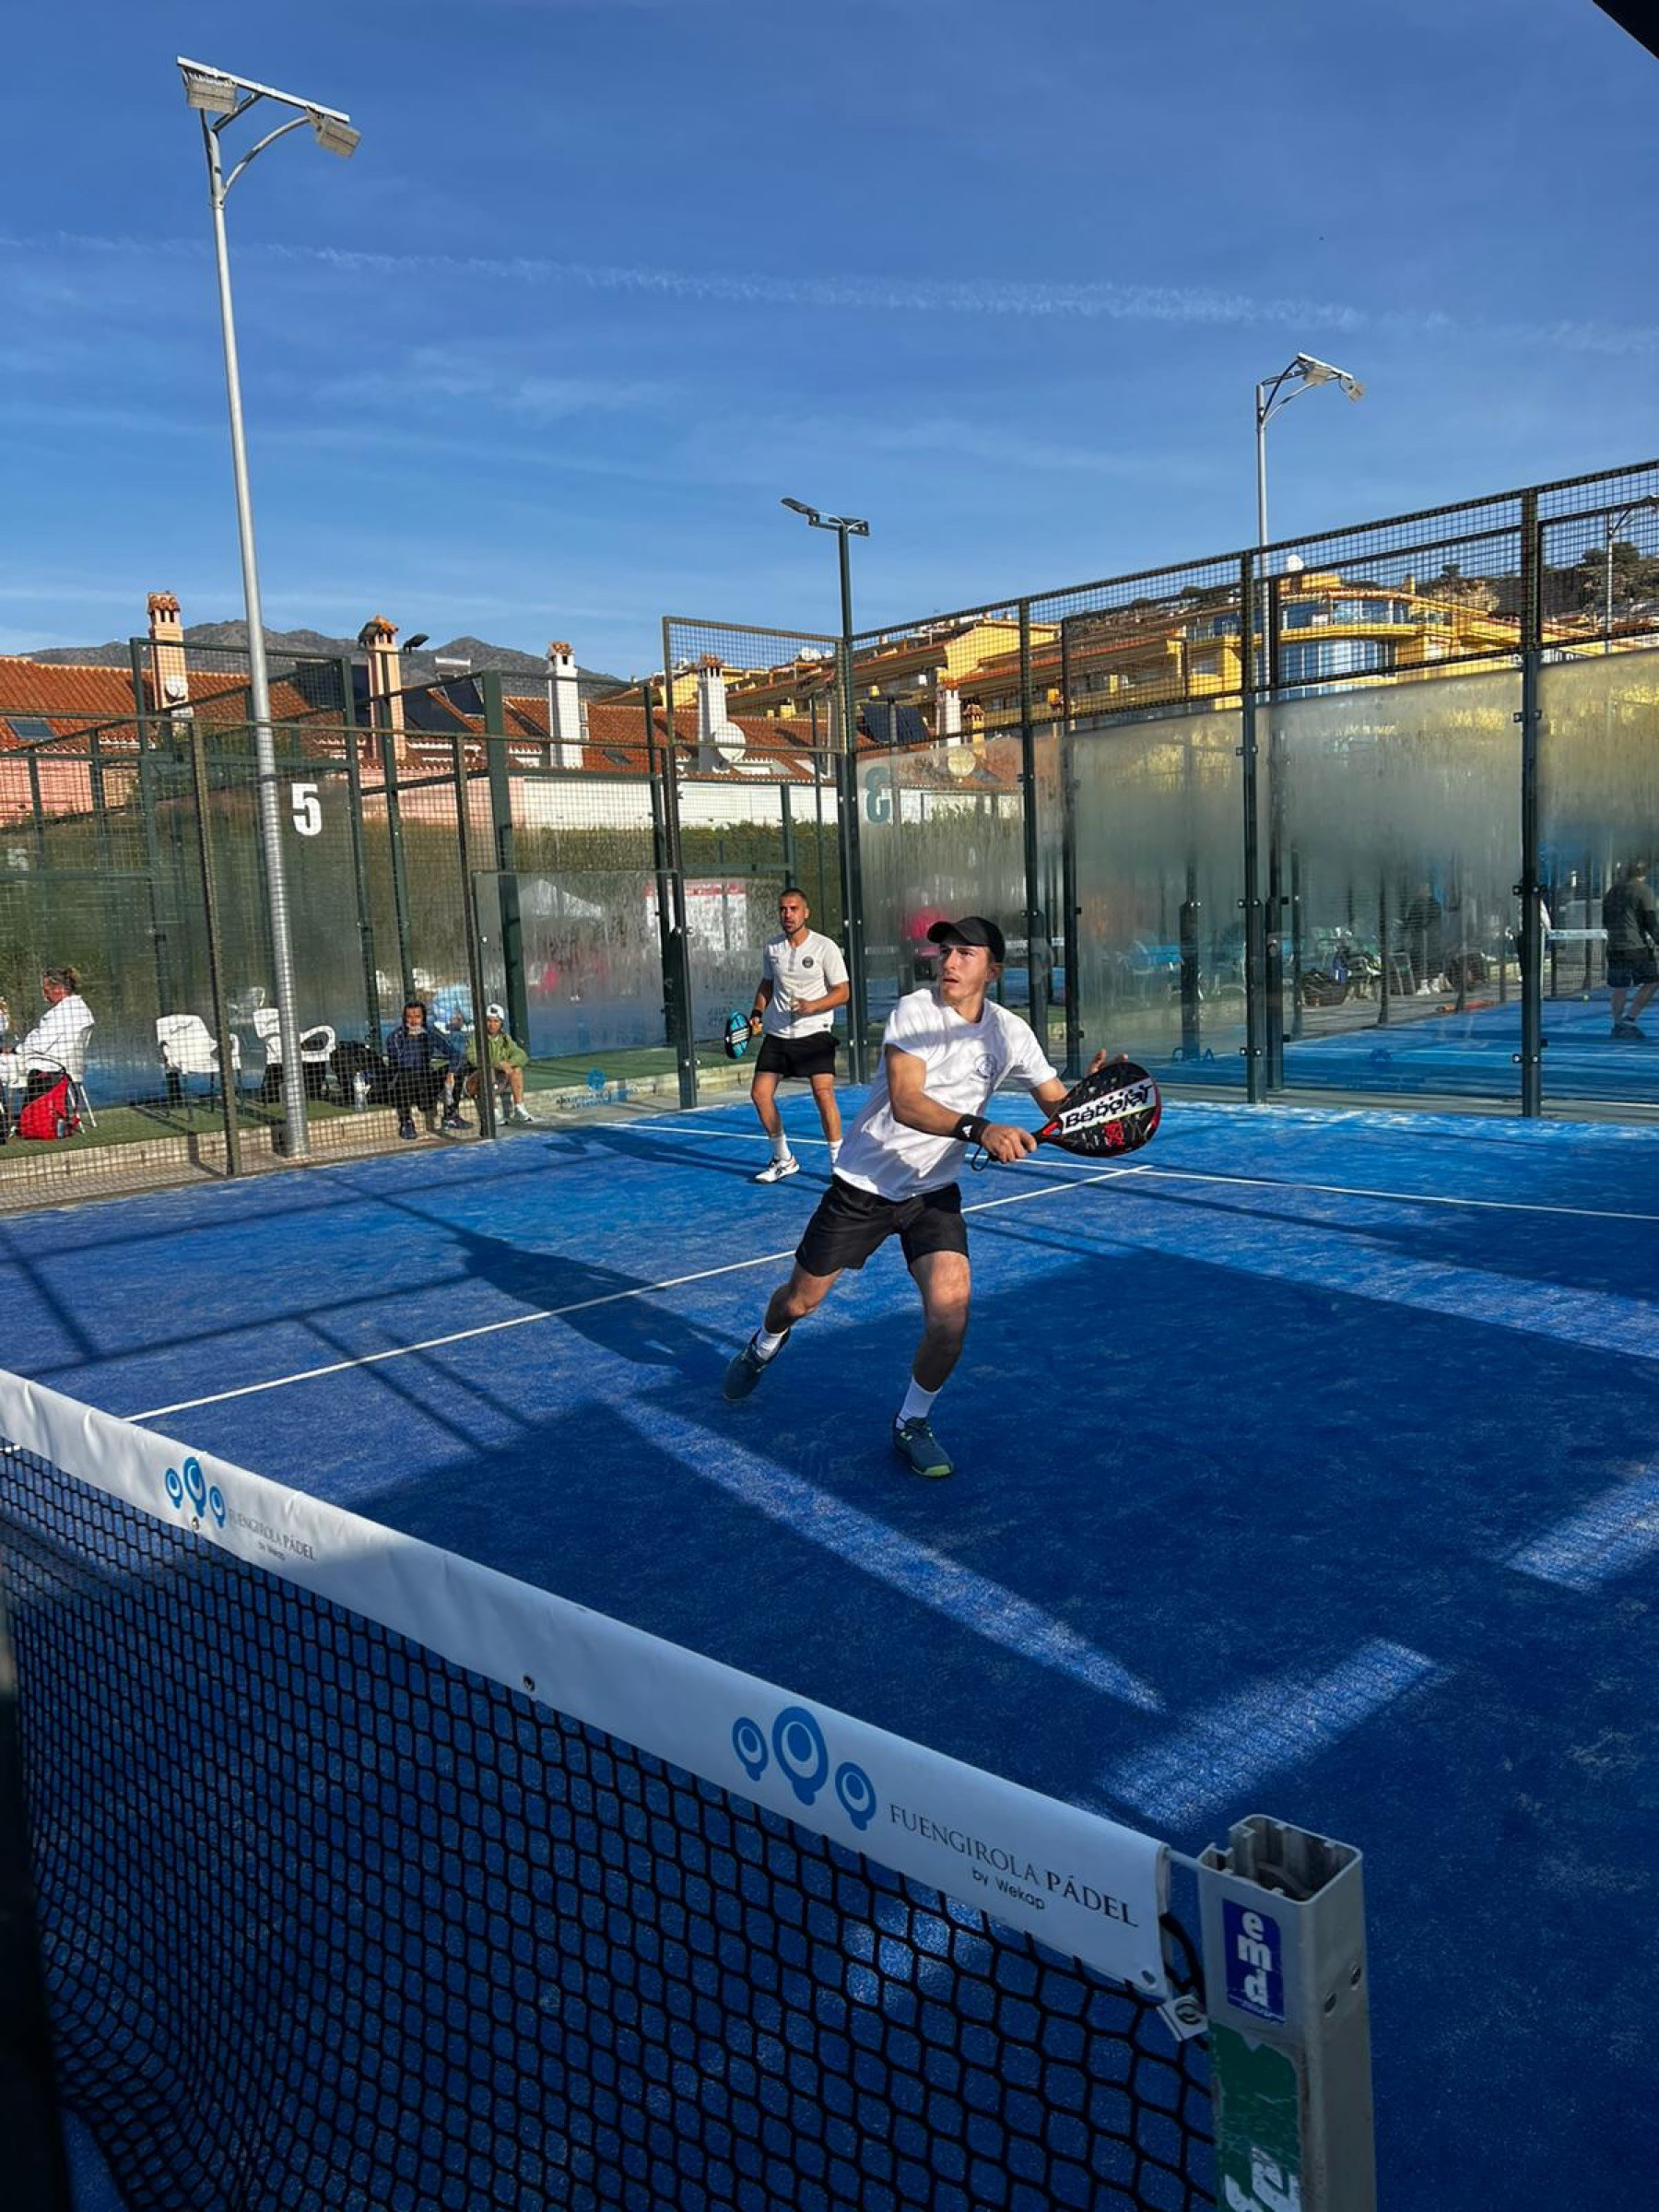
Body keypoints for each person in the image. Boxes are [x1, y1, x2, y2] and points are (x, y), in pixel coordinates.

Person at [723, 914, 1112, 1479]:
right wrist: (980, 1130)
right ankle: (764, 1343)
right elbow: (907, 1102)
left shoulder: (1010, 1031)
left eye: (965, 954)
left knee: (950, 1318)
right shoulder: (915, 1011)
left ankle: (911, 1422)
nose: (949, 962)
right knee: (800, 1302)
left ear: (993, 971)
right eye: (945, 951)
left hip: (932, 1193)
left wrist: (1090, 1100)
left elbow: (1058, 1107)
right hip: (863, 1186)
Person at [745, 888, 850, 1184]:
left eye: (793, 909)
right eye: (783, 909)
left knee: (823, 1094)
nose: (787, 915)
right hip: (778, 1034)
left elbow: (843, 992)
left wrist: (812, 1006)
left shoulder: (825, 947)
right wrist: (757, 1013)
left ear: (806, 912)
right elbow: (767, 984)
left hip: (815, 1032)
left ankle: (839, 1164)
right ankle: (784, 1159)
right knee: (760, 1095)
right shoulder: (772, 948)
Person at [0, 965, 95, 1104]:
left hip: (50, 1066)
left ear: (59, 988)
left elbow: (39, 1045)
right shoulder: (79, 1007)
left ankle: (4, 1115)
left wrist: (14, 1050)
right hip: (68, 1065)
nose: (45, 996)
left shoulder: (62, 1012)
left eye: (46, 990)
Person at [383, 999, 465, 1140]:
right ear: (404, 1018)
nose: (413, 1021)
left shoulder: (430, 1033)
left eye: (417, 1017)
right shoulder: (395, 1037)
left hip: (425, 1082)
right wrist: (411, 1040)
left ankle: (451, 1114)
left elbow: (455, 1054)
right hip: (404, 1085)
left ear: (423, 1018)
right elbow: (399, 1063)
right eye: (409, 1017)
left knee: (459, 1068)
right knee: (406, 1075)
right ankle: (406, 1122)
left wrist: (450, 1073)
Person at [1604, 860, 1659, 1039]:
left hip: (1614, 946)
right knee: (1652, 981)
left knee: (1619, 986)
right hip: (1636, 946)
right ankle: (1630, 1019)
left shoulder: (1612, 892)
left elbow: (1605, 919)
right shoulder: (1644, 891)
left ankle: (1617, 1023)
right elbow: (1651, 920)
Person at [466, 1004, 537, 1125]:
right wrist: (497, 1064)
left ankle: (519, 1109)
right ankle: (493, 1113)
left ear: (501, 1023)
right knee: (488, 1071)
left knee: (516, 1069)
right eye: (489, 1021)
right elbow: (472, 1058)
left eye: (496, 1021)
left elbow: (521, 1055)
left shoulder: (505, 1039)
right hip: (475, 1083)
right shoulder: (475, 1038)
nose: (492, 1025)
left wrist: (508, 1063)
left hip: (497, 1083)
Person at [1401, 882, 1443, 995]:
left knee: (1430, 960)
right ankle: (1425, 985)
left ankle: (1433, 984)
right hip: (1422, 938)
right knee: (1423, 960)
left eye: (1423, 888)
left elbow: (1435, 921)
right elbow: (1411, 920)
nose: (1420, 891)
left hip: (1430, 938)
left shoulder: (1433, 904)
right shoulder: (1417, 904)